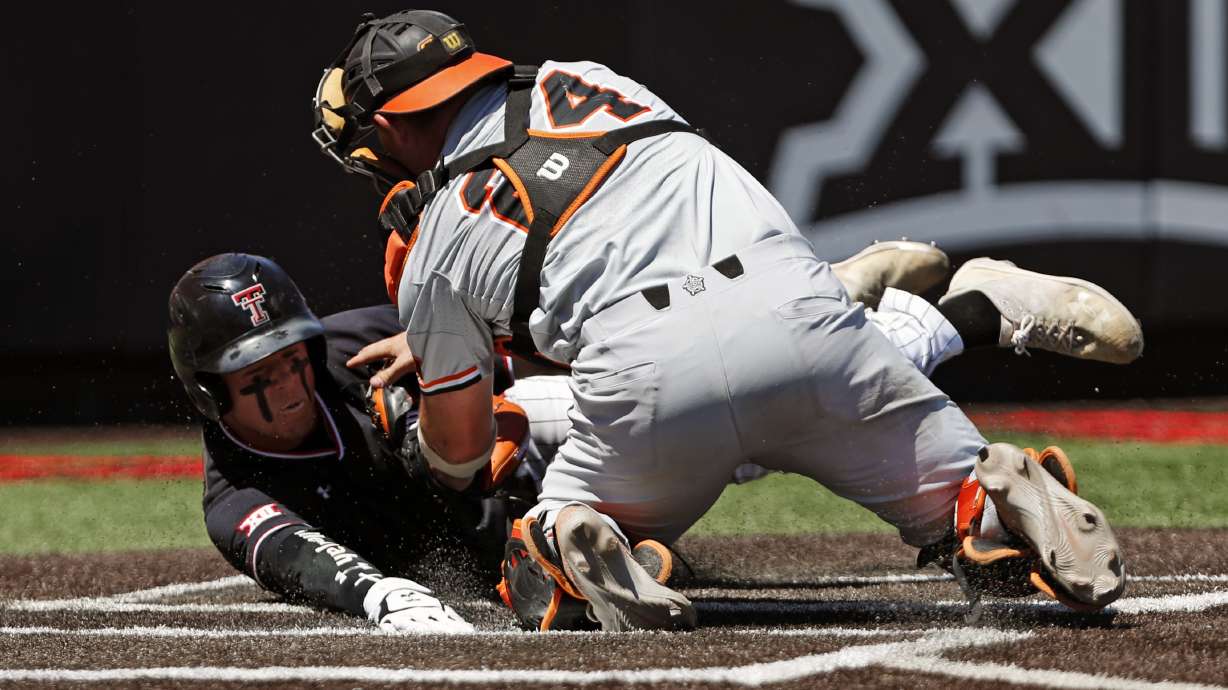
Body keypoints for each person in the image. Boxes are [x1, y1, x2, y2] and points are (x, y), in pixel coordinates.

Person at [311, 10, 1143, 631]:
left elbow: (460, 457)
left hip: (649, 377)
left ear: (384, 126)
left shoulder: (434, 244)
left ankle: (573, 532)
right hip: (803, 310)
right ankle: (990, 506)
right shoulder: (595, 80)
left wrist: (438, 411)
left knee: (538, 548)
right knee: (971, 533)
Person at [168, 252, 550, 634]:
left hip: (539, 465)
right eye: (259, 373)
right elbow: (294, 554)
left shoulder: (356, 342)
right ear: (210, 391)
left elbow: (531, 340)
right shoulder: (234, 496)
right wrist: (378, 593)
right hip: (515, 564)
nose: (288, 382)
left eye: (292, 357)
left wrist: (448, 343)